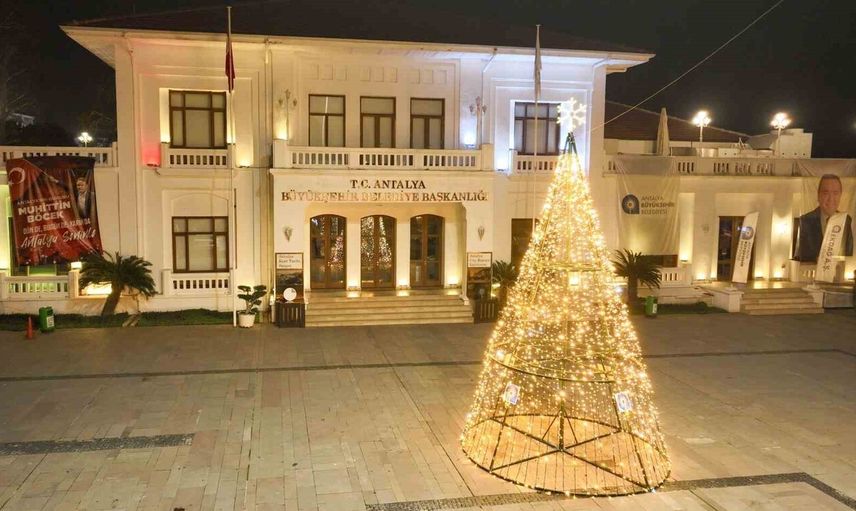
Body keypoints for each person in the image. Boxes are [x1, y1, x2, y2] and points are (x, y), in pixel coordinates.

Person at [794, 174, 853, 262]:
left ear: (840, 195)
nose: (831, 198)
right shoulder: (805, 221)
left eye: (835, 193)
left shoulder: (846, 220)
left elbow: (848, 256)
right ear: (818, 196)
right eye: (826, 193)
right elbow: (799, 257)